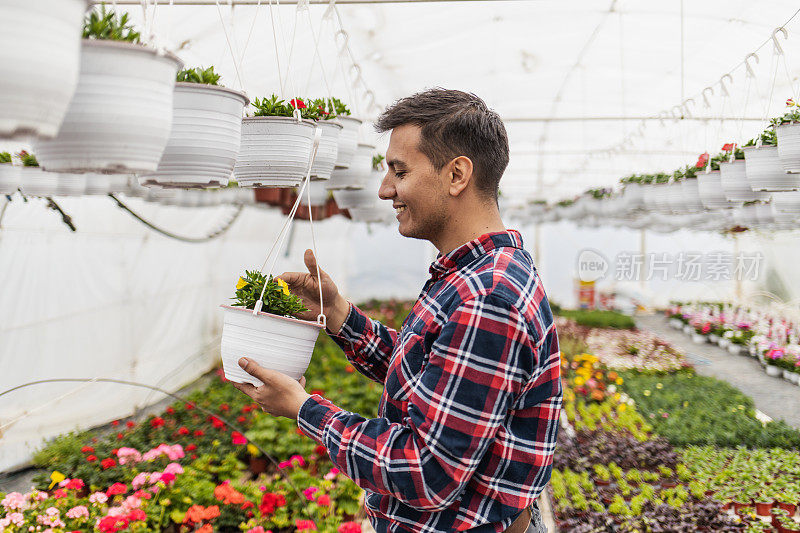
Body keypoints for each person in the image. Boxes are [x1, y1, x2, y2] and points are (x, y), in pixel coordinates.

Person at [233, 88, 561, 533]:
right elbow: (432, 377)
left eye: (399, 171)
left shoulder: (487, 297)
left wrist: (304, 409)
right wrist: (340, 315)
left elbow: (429, 472)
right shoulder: (473, 273)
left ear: (457, 175)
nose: (386, 189)